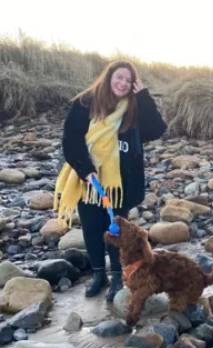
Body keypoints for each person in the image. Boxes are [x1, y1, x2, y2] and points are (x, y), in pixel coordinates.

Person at [53, 60, 167, 301]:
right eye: (119, 78)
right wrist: (86, 170)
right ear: (109, 77)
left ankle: (117, 276)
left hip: (121, 183)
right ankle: (98, 276)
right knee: (92, 229)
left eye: (128, 80)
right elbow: (71, 140)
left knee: (116, 231)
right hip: (88, 179)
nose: (123, 83)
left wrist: (144, 96)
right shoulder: (85, 102)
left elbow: (157, 129)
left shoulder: (134, 107)